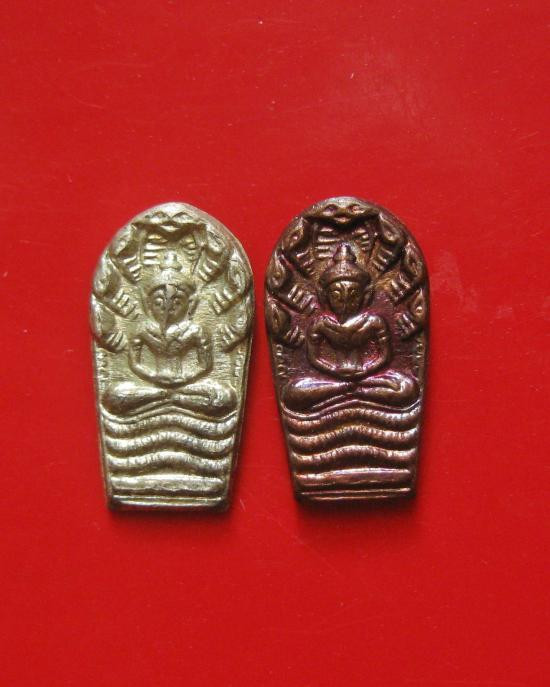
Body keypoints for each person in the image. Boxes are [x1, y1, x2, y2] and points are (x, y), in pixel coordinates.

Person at [282, 243, 417, 411]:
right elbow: (314, 358)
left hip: (367, 378)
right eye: (337, 296)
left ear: (364, 295)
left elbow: (385, 355)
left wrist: (365, 370)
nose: (345, 301)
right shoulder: (320, 325)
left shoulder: (374, 322)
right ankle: (355, 395)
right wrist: (335, 371)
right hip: (332, 380)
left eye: (353, 295)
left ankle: (345, 397)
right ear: (325, 296)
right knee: (293, 392)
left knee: (407, 388)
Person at [103, 252, 235, 416]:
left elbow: (205, 365)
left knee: (224, 397)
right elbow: (134, 363)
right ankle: (173, 401)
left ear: (190, 304)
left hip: (187, 385)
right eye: (159, 302)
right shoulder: (143, 330)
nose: (167, 308)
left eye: (177, 302)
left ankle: (165, 402)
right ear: (148, 304)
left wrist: (186, 378)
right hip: (151, 386)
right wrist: (152, 376)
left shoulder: (195, 330)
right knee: (113, 396)